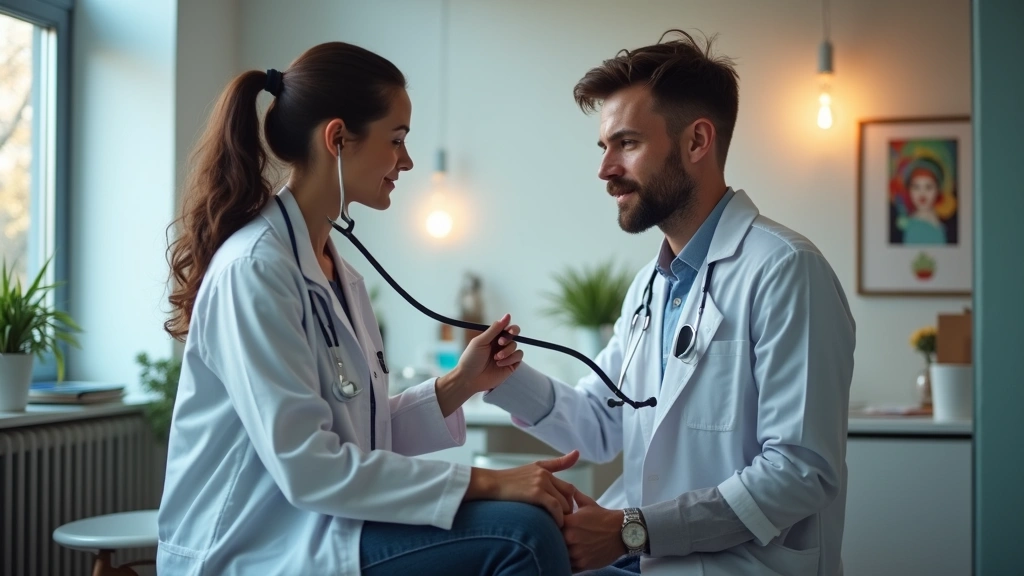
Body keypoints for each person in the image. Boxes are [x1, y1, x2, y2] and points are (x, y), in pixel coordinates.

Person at [158, 42, 577, 576]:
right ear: (337, 139)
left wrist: (460, 385)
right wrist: (491, 481)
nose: (406, 160)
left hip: (317, 528)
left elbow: (363, 438)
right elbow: (311, 468)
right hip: (253, 548)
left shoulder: (338, 274)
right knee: (521, 536)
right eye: (397, 140)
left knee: (530, 527)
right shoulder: (256, 270)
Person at [483, 30, 856, 576]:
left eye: (626, 143)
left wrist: (633, 530)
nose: (605, 169)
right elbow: (597, 425)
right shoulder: (649, 289)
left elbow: (799, 472)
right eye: (604, 146)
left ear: (697, 142)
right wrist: (498, 374)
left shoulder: (785, 270)